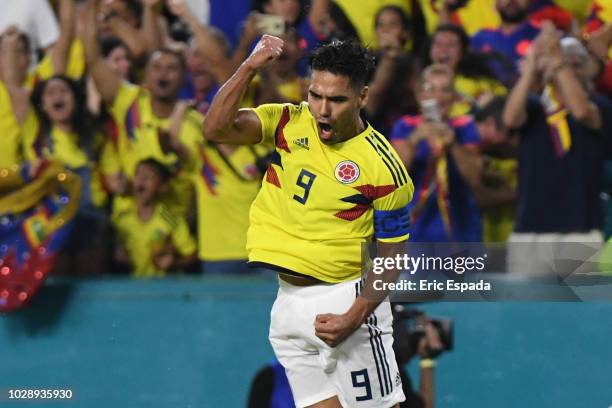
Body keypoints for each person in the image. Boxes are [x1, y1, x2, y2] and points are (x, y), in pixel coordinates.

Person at [204, 36, 413, 407]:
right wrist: (249, 67)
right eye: (316, 95)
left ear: (362, 97)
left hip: (345, 299)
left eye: (337, 99)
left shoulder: (384, 167)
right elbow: (216, 129)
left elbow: (392, 257)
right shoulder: (287, 121)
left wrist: (355, 315)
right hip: (288, 305)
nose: (322, 110)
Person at [502, 22, 612, 277]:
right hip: (530, 233)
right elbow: (509, 118)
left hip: (580, 231)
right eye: (564, 64)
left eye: (576, 65)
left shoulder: (600, 107)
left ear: (588, 72)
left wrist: (557, 61)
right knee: (523, 312)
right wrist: (531, 68)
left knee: (579, 315)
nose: (568, 71)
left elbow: (582, 112)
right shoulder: (533, 108)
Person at [391, 64, 483, 243]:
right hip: (415, 233)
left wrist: (453, 145)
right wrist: (414, 140)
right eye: (430, 89)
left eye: (445, 90)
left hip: (460, 234)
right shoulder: (405, 126)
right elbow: (390, 177)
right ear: (420, 95)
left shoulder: (465, 127)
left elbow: (475, 177)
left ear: (454, 97)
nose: (438, 97)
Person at [111, 158, 197, 277]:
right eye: (138, 175)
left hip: (162, 290)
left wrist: (173, 264)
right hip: (131, 289)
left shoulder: (170, 220)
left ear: (162, 187)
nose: (141, 180)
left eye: (148, 177)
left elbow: (191, 254)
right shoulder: (121, 219)